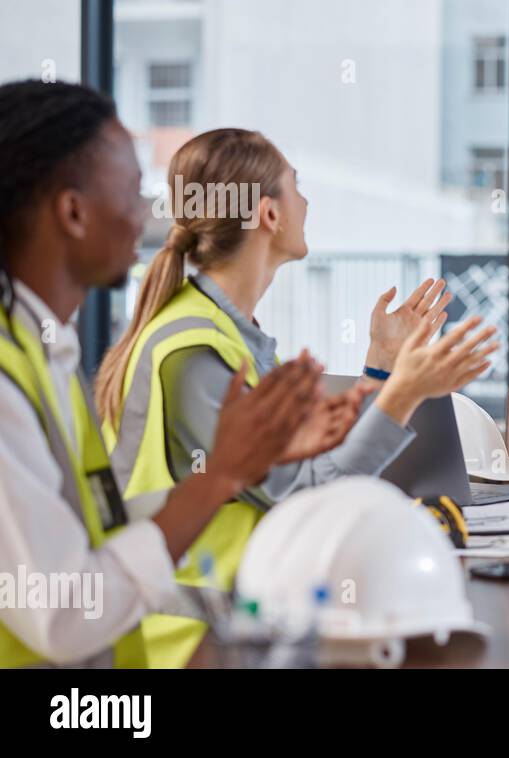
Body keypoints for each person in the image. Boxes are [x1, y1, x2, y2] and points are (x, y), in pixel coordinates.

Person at [94, 127, 499, 667]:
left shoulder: (226, 332)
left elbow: (311, 474)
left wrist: (380, 366)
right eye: (296, 186)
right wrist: (402, 393)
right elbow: (308, 501)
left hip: (242, 616)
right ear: (268, 214)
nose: (306, 201)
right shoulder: (192, 353)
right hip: (189, 638)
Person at [0, 79, 339, 667]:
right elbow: (64, 613)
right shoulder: (9, 382)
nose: (149, 215)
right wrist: (220, 477)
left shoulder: (44, 351)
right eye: (133, 193)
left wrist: (250, 462)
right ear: (74, 212)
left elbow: (91, 524)